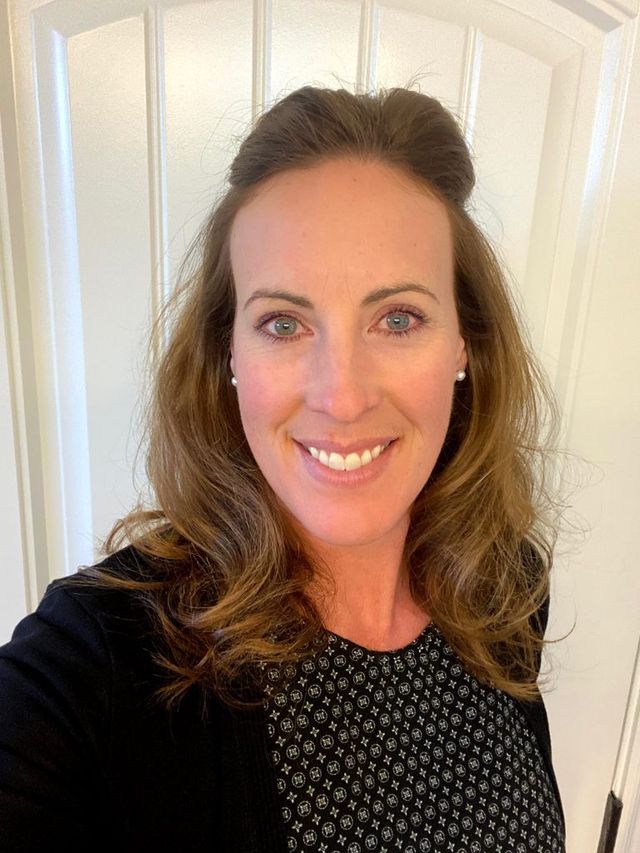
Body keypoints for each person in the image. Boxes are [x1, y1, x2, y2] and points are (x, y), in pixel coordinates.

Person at [0, 85, 566, 851]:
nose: (342, 395)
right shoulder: (103, 659)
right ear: (228, 353)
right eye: (283, 323)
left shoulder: (502, 586)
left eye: (398, 318)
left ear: (464, 342)